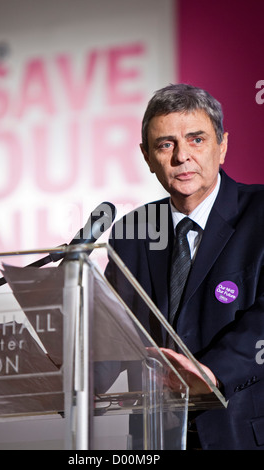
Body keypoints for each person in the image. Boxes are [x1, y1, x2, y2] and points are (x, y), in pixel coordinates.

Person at [104, 84, 264, 450]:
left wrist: (211, 373)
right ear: (146, 156)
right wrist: (57, 354)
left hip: (243, 432)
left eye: (196, 140)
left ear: (222, 145)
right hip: (155, 438)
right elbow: (113, 337)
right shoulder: (132, 233)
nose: (181, 157)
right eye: (165, 144)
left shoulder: (260, 213)